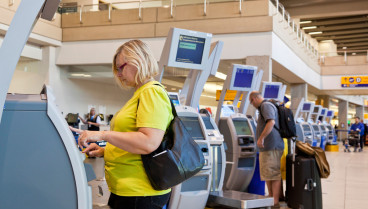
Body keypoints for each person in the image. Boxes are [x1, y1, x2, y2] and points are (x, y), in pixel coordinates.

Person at [74, 40, 173, 209]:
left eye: (121, 67)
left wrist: (102, 135)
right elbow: (133, 142)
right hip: (128, 191)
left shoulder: (152, 92)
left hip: (140, 192)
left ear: (139, 60)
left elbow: (148, 142)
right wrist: (106, 151)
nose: (119, 74)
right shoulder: (140, 93)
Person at [249, 91, 284, 208]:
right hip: (268, 147)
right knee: (268, 174)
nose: (252, 104)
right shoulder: (264, 106)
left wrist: (261, 138)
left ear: (254, 99)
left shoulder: (265, 105)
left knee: (273, 173)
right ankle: (270, 197)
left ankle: (275, 202)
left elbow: (271, 122)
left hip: (271, 146)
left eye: (251, 102)